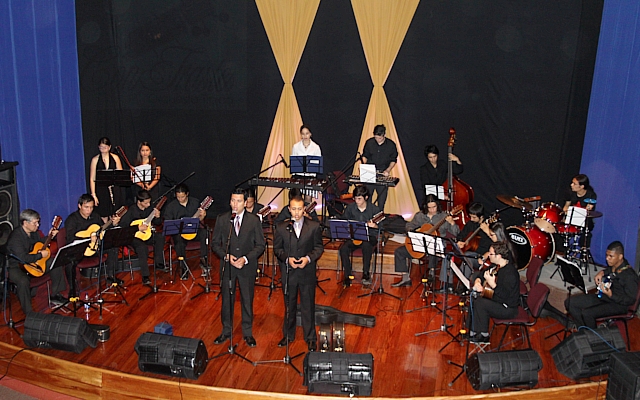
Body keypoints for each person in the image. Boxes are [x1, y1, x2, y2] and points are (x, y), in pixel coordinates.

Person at [211, 188, 266, 348]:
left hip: (246, 266)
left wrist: (246, 258)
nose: (235, 204)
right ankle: (226, 330)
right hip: (228, 266)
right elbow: (215, 244)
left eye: (239, 201)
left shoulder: (253, 220)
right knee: (226, 300)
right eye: (233, 200)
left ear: (246, 203)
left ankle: (247, 333)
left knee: (247, 299)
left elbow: (260, 245)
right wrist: (226, 256)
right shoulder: (222, 219)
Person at [273, 195, 324, 352]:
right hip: (289, 273)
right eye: (293, 209)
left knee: (308, 306)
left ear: (304, 210)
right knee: (290, 305)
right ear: (289, 209)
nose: (296, 212)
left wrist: (308, 259)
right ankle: (288, 335)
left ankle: (310, 338)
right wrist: (286, 259)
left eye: (299, 209)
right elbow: (277, 249)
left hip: (306, 272)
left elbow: (319, 248)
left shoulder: (314, 226)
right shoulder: (281, 227)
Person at [566, 241, 639, 329]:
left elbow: (630, 300)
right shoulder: (615, 265)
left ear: (620, 257)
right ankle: (583, 330)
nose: (607, 259)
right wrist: (602, 272)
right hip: (605, 297)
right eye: (606, 255)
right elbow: (610, 270)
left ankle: (593, 335)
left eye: (611, 256)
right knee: (570, 303)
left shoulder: (630, 276)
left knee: (588, 313)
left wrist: (611, 295)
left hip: (619, 305)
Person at [391, 194, 459, 287]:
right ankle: (405, 278)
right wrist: (414, 231)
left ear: (438, 205)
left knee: (433, 249)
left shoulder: (444, 216)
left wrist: (452, 223)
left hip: (436, 247)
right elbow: (409, 225)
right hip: (420, 245)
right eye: (429, 207)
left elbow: (456, 233)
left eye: (434, 207)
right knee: (399, 251)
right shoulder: (420, 215)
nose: (432, 210)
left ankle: (431, 274)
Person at [6, 209, 67, 312]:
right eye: (35, 223)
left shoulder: (34, 233)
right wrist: (40, 255)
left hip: (33, 263)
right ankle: (28, 312)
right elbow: (23, 258)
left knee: (54, 262)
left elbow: (39, 243)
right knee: (23, 281)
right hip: (16, 266)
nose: (38, 225)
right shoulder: (16, 238)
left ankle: (56, 294)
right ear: (25, 223)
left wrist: (50, 236)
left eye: (38, 222)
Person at [467, 242, 520, 343]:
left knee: (481, 303)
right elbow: (481, 274)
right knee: (474, 296)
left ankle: (483, 335)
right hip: (497, 299)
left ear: (498, 256)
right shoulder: (496, 265)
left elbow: (505, 296)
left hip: (508, 307)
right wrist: (478, 282)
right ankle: (472, 331)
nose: (488, 255)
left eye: (491, 254)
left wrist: (493, 285)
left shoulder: (510, 273)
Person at [65, 194, 122, 285]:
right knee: (69, 262)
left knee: (113, 247)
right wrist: (88, 238)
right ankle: (72, 288)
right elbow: (70, 238)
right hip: (81, 250)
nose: (89, 210)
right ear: (79, 206)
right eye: (86, 207)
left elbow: (103, 229)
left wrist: (113, 224)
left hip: (95, 247)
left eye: (91, 207)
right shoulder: (72, 220)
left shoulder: (95, 216)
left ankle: (111, 276)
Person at [118, 190, 164, 285]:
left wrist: (158, 217)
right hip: (134, 237)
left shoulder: (150, 208)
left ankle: (158, 263)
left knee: (160, 237)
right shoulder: (131, 210)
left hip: (147, 234)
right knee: (142, 248)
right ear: (139, 202)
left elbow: (157, 223)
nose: (148, 204)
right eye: (146, 203)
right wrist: (137, 228)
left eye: (149, 202)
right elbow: (123, 226)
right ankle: (145, 276)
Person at [339, 185, 382, 287]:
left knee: (367, 246)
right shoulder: (350, 208)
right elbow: (344, 221)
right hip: (354, 236)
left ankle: (366, 274)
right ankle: (347, 275)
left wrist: (375, 226)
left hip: (369, 236)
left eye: (359, 199)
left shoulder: (374, 209)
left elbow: (382, 227)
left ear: (366, 197)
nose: (357, 201)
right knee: (343, 249)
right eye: (355, 199)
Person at [162, 183, 207, 279]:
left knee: (204, 233)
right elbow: (168, 222)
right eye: (178, 197)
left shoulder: (195, 202)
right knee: (178, 241)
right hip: (179, 234)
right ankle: (183, 266)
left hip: (194, 231)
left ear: (187, 194)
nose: (180, 199)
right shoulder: (171, 206)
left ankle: (203, 260)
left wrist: (202, 216)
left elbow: (199, 219)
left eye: (182, 197)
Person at [361, 124, 398, 210]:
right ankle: (367, 215)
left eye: (380, 138)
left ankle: (379, 215)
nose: (378, 140)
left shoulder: (391, 145)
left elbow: (393, 159)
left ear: (384, 135)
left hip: (382, 173)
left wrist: (388, 170)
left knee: (381, 200)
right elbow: (365, 155)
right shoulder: (369, 143)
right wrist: (363, 166)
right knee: (367, 197)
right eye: (376, 138)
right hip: (370, 172)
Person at [89, 137, 124, 221]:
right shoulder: (95, 160)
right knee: (103, 214)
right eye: (101, 147)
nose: (103, 149)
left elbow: (120, 174)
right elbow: (92, 178)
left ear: (109, 147)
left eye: (105, 147)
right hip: (101, 190)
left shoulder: (115, 158)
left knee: (115, 214)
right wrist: (94, 195)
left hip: (114, 189)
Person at [454, 203, 492, 279]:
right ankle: (447, 283)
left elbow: (497, 243)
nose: (471, 219)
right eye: (470, 216)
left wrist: (488, 232)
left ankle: (463, 282)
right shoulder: (470, 224)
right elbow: (460, 236)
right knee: (449, 256)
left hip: (482, 257)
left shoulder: (490, 227)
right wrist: (459, 241)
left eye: (474, 217)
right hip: (469, 252)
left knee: (467, 256)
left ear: (481, 217)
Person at [291, 124, 322, 202]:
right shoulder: (296, 147)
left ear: (310, 134)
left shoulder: (316, 147)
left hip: (310, 177)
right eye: (303, 134)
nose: (305, 136)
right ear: (301, 134)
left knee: (308, 199)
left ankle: (307, 210)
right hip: (298, 176)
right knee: (296, 199)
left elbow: (317, 164)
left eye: (307, 133)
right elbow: (293, 163)